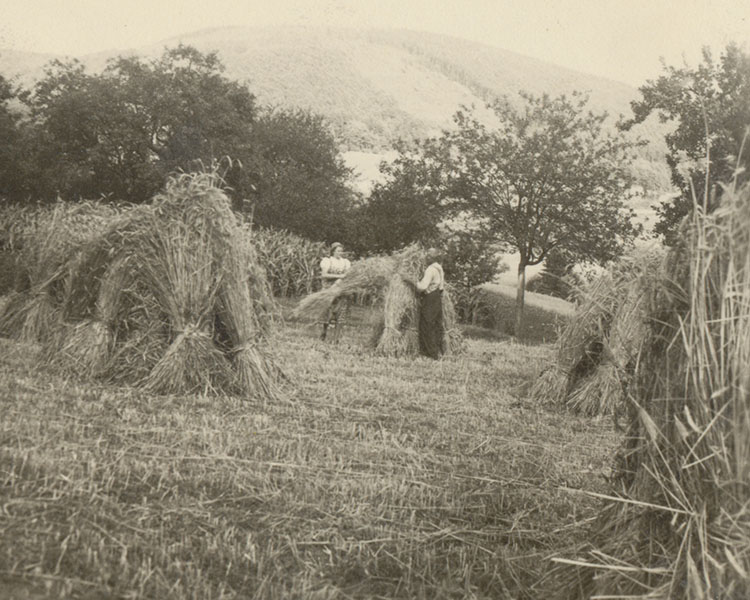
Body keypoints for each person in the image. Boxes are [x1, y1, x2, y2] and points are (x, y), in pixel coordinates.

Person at [415, 247, 445, 359]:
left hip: (430, 298)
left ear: (433, 258)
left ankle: (431, 353)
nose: (426, 257)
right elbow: (441, 287)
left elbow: (422, 287)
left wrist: (412, 281)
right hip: (437, 297)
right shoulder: (439, 268)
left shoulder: (430, 270)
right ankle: (436, 350)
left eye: (429, 256)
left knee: (426, 324)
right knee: (435, 325)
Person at [319, 242, 351, 341]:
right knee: (328, 313)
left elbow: (348, 275)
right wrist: (339, 277)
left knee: (341, 314)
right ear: (333, 251)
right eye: (338, 251)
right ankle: (324, 332)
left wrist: (342, 281)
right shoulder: (327, 261)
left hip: (341, 290)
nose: (340, 253)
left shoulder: (345, 262)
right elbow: (324, 275)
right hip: (329, 289)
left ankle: (336, 338)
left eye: (341, 251)